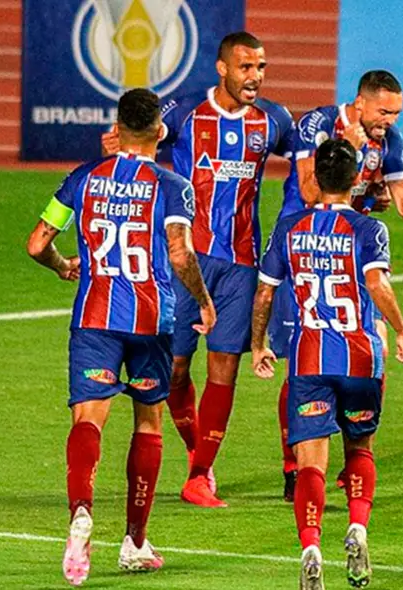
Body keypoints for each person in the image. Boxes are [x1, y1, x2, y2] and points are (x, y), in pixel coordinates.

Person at [27, 88, 216, 586]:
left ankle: (81, 511)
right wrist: (203, 299)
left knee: (89, 418)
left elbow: (37, 242)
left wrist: (63, 265)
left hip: (94, 316)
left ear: (117, 126)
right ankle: (134, 540)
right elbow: (179, 254)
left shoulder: (83, 177)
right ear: (159, 131)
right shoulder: (172, 184)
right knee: (148, 423)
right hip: (152, 321)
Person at [104, 32, 296, 508]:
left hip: (240, 264)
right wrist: (117, 145)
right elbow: (137, 135)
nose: (255, 77)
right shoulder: (185, 111)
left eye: (261, 67)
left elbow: (309, 163)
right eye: (246, 67)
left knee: (224, 367)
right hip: (184, 261)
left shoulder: (273, 120)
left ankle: (200, 473)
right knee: (174, 371)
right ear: (222, 68)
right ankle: (195, 444)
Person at [271, 70, 403, 501]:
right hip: (304, 254)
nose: (389, 120)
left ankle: (354, 456)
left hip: (350, 256)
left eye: (396, 113)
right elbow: (309, 190)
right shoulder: (317, 125)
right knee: (303, 360)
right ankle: (294, 465)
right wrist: (351, 151)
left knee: (376, 348)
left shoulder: (389, 141)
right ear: (360, 102)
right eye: (384, 111)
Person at [250, 138, 403, 589]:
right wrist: (400, 330)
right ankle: (358, 529)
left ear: (315, 179)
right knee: (359, 450)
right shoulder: (368, 230)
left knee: (311, 467)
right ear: (357, 178)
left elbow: (265, 292)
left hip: (307, 359)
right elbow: (377, 285)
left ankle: (310, 548)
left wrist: (259, 342)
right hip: (360, 357)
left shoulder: (288, 228)